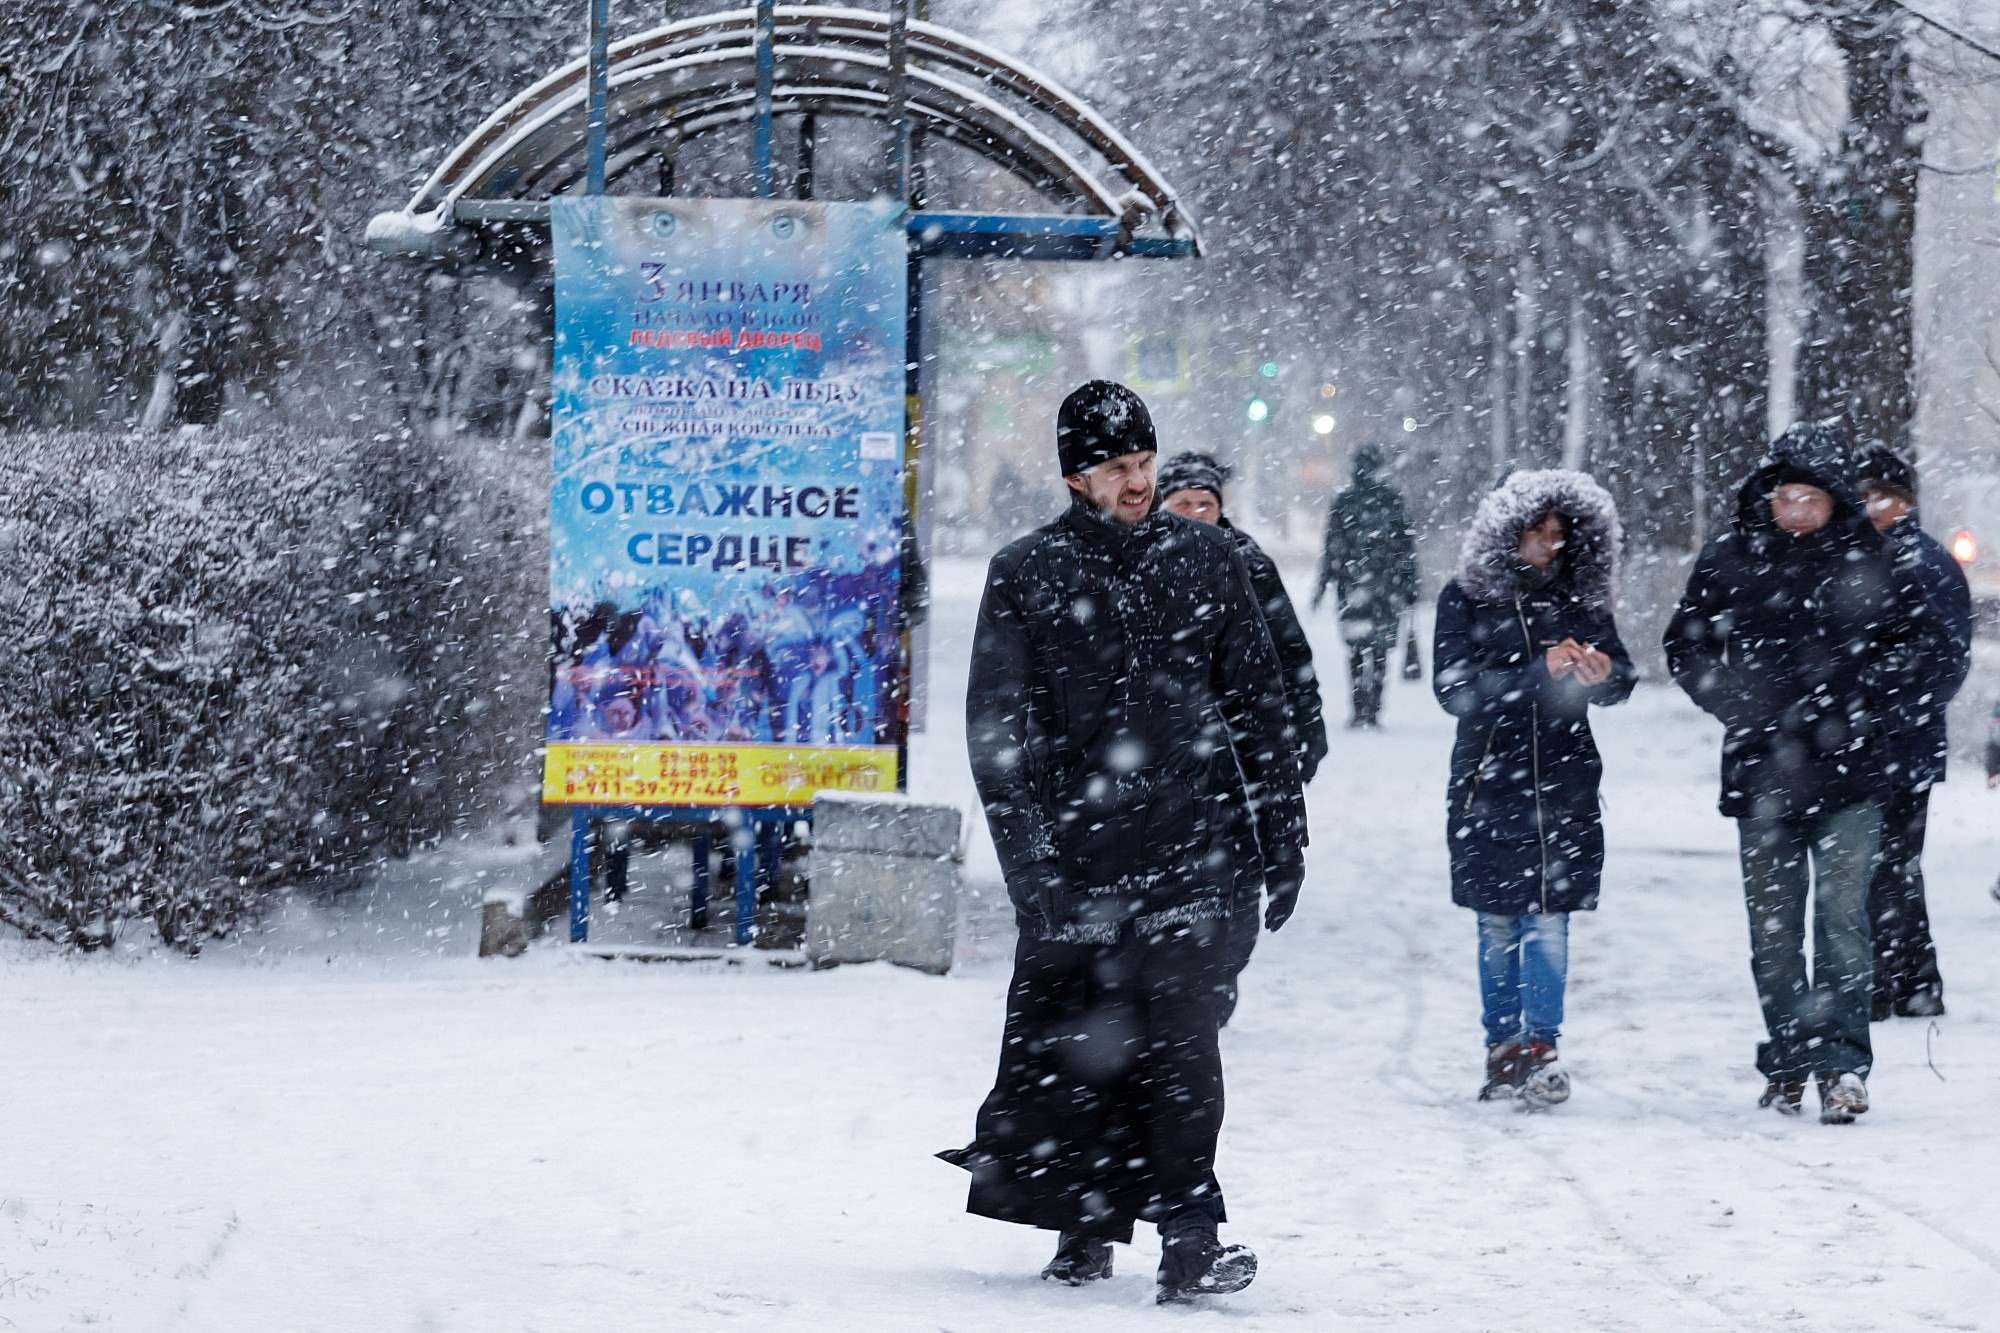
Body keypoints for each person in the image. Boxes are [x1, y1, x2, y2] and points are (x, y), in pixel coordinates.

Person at [942, 381, 1307, 1305]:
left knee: (1184, 1050)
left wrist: (1283, 836)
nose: (1139, 481)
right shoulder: (1027, 572)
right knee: (1080, 1045)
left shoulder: (1209, 559)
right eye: (1117, 467)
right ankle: (1084, 1225)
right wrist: (1029, 865)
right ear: (1076, 476)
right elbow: (996, 735)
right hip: (1079, 855)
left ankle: (1191, 1236)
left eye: (1145, 462)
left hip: (1195, 848)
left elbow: (1259, 706)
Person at [1665, 421, 1929, 1124]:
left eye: (1811, 498)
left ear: (1837, 500)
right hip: (1763, 775)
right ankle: (1787, 1058)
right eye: (1786, 497)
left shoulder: (1872, 559)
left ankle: (1842, 1066)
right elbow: (1686, 645)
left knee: (1843, 922)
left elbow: (1916, 646)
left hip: (1851, 772)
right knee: (1774, 931)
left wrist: (1862, 700)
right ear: (1768, 496)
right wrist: (1737, 704)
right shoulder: (1733, 556)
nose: (1797, 511)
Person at [1432, 470, 1635, 1108]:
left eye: (1559, 533)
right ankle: (1502, 1048)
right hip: (1490, 781)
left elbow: (1622, 676)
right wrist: (1533, 673)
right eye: (1537, 532)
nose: (1549, 544)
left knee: (1550, 920)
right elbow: (1454, 690)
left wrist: (1603, 673)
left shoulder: (1581, 598)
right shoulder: (1466, 598)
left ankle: (1542, 1048)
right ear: (1506, 532)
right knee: (1497, 923)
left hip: (1566, 780)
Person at [1156, 450, 1326, 1027]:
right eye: (1183, 503)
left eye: (1205, 503)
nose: (1196, 513)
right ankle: (1189, 991)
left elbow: (1290, 652)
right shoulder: (1142, 564)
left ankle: (1220, 977)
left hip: (1242, 746)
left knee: (1241, 881)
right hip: (1174, 758)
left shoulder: (1248, 561)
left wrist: (1307, 726)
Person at [1856, 446, 1973, 1019]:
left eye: (1870, 496)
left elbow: (1945, 664)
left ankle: (1887, 983)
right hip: (1897, 744)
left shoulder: (1920, 561)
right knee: (1892, 867)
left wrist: (1887, 717)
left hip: (1900, 746)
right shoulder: (1889, 555)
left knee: (1883, 867)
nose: (1861, 507)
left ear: (1897, 501)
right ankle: (1913, 984)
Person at [1313, 442, 1419, 728]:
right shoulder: (1391, 500)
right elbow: (1405, 547)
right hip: (1386, 586)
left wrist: (1323, 585)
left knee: (1356, 649)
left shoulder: (1345, 501)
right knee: (1380, 648)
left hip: (1351, 586)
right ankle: (1373, 708)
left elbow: (1332, 547)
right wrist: (1409, 584)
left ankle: (1360, 706)